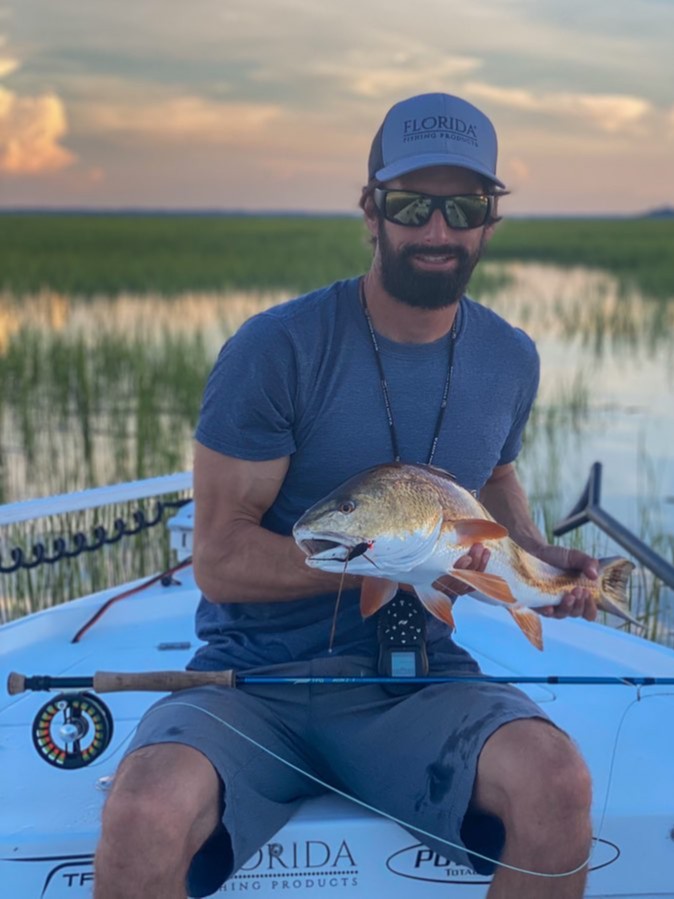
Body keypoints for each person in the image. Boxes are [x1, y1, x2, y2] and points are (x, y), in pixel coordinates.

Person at [95, 92, 598, 899]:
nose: (437, 230)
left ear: (489, 222)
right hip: (255, 682)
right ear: (371, 210)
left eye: (463, 206)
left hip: (419, 679)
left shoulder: (510, 358)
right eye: (411, 205)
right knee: (146, 807)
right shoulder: (278, 348)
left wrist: (537, 562)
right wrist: (387, 556)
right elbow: (220, 558)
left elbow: (494, 477)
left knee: (558, 782)